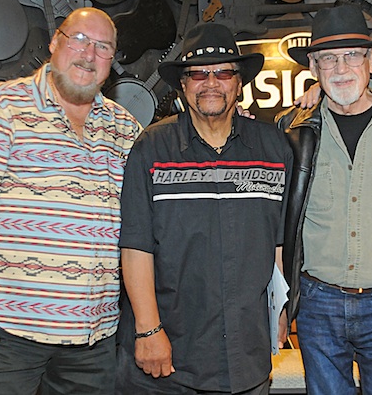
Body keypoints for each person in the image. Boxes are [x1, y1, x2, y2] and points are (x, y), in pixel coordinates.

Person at [115, 22, 293, 395]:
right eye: (198, 73)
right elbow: (135, 246)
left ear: (239, 82)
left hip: (247, 356)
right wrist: (148, 330)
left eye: (223, 72)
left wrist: (279, 311)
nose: (210, 82)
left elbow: (278, 243)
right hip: (168, 358)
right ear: (183, 84)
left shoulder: (274, 149)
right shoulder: (151, 148)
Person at [0, 7, 141, 394]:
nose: (88, 54)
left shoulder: (124, 127)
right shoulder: (4, 109)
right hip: (9, 336)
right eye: (79, 39)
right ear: (54, 42)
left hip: (93, 343)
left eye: (102, 47)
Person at [275, 4, 372, 394]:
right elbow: (277, 219)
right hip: (318, 305)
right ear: (313, 69)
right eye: (328, 59)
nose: (340, 68)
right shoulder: (290, 130)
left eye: (352, 55)